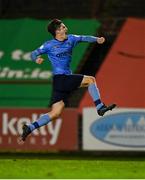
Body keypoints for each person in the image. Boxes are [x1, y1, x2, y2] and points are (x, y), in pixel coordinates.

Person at [20, 19, 116, 141]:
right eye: (63, 26)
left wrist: (96, 39)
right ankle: (100, 107)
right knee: (91, 80)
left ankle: (30, 127)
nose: (65, 27)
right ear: (58, 31)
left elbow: (83, 38)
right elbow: (34, 53)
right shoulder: (49, 45)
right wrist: (36, 59)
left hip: (59, 82)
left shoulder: (71, 39)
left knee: (55, 113)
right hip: (61, 78)